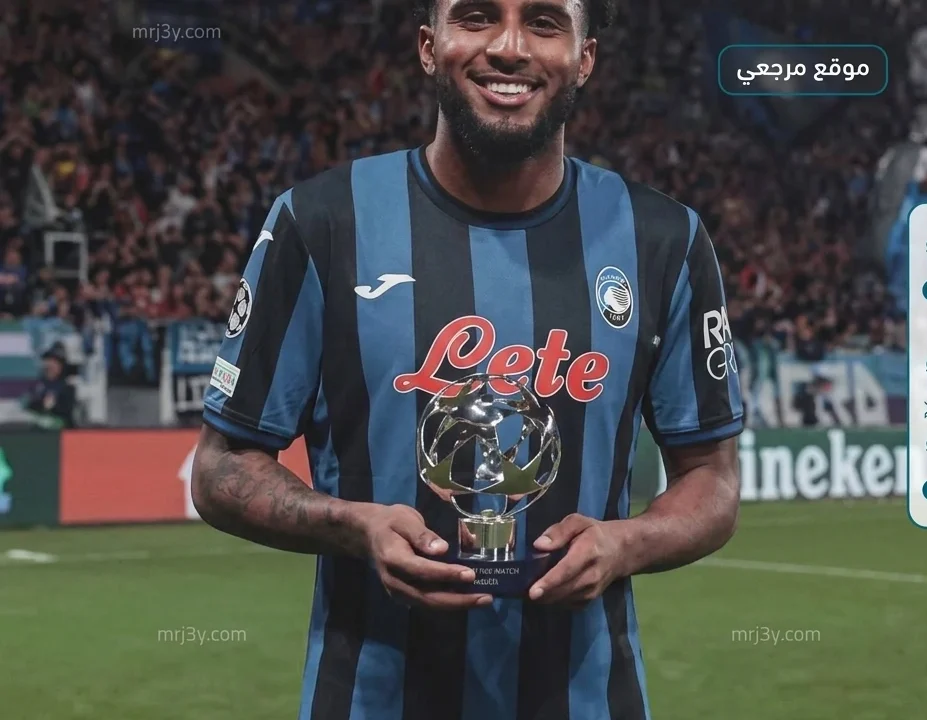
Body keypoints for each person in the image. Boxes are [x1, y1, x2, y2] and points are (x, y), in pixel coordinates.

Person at [191, 1, 744, 718]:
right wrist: (354, 526)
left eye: (544, 22)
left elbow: (712, 479)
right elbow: (221, 468)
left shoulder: (663, 239)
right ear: (429, 46)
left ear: (584, 59)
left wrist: (627, 543)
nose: (509, 47)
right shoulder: (322, 223)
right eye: (478, 16)